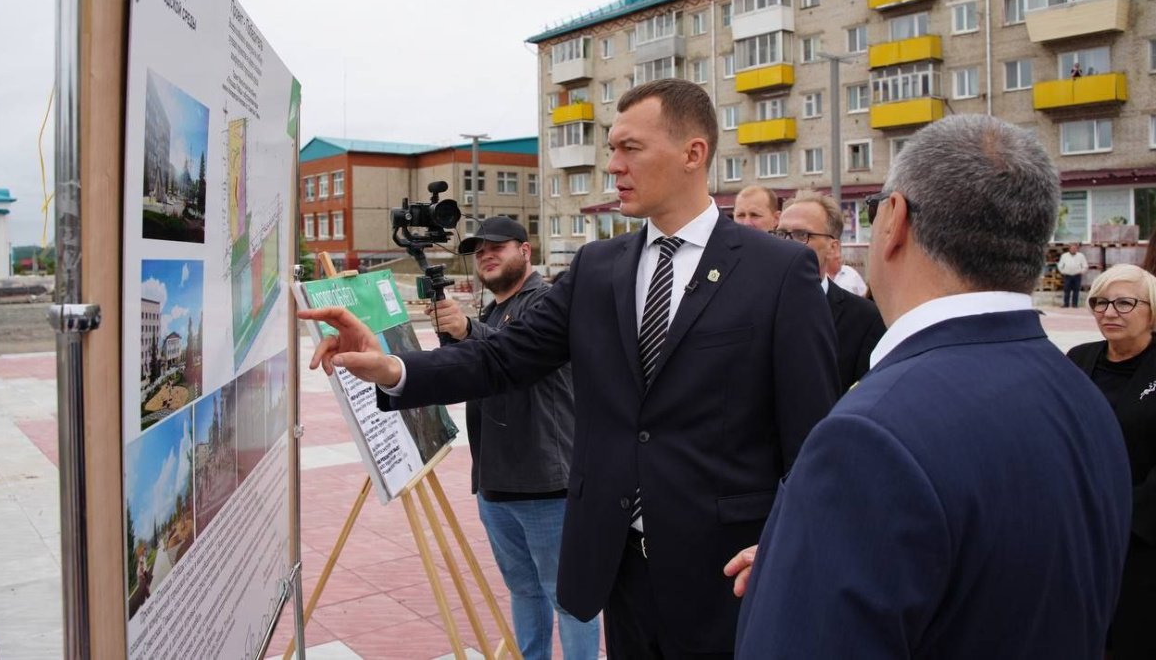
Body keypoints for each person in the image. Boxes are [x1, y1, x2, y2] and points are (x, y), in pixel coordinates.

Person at [301, 78, 838, 659]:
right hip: (620, 561)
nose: (613, 165)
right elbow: (502, 356)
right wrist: (392, 367)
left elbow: (813, 435)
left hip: (729, 568)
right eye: (611, 148)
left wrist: (792, 542)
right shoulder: (598, 267)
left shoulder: (778, 271)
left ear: (693, 153)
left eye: (630, 148)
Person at [728, 114, 1132, 658]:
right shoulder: (1079, 391)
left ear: (894, 219)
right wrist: (813, 558)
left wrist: (790, 589)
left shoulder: (869, 436)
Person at [423, 215, 598, 660]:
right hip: (496, 484)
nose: (486, 255)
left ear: (525, 250)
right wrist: (453, 341)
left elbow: (515, 354)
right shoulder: (492, 311)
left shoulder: (549, 302)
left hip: (546, 484)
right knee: (523, 591)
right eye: (479, 250)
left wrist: (467, 331)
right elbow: (474, 371)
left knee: (568, 598)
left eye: (497, 246)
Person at [1067, 264, 1156, 660]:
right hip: (1080, 527)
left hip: (1142, 537)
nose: (1109, 312)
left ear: (1152, 312)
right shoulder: (1078, 359)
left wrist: (1123, 516)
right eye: (1100, 302)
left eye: (1124, 303)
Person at [772, 190, 885, 393]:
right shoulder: (752, 308)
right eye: (780, 234)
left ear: (833, 247)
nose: (785, 243)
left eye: (801, 235)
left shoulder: (866, 319)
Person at [1059, 241, 1090, 308]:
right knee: (1066, 290)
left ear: (1077, 249)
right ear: (1069, 249)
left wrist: (1082, 271)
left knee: (1076, 291)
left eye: (1075, 248)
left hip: (1077, 275)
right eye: (1072, 248)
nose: (1073, 249)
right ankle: (1066, 304)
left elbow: (1085, 265)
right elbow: (1060, 265)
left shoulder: (1081, 256)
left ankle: (1075, 304)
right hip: (1067, 275)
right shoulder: (1064, 256)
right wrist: (1063, 271)